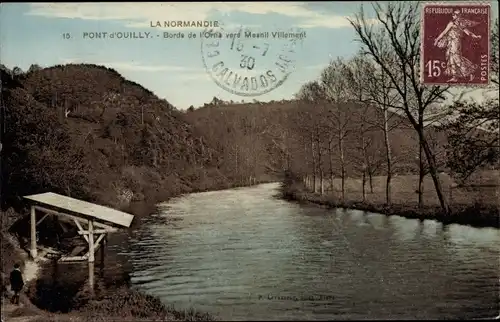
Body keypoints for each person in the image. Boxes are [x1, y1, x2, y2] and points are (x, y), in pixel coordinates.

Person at [433, 9, 482, 82]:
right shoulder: (451, 23)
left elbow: (468, 32)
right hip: (450, 42)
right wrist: (437, 40)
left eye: (457, 15)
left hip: (456, 42)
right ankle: (455, 76)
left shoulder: (461, 24)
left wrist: (475, 36)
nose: (455, 16)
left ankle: (470, 73)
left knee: (457, 58)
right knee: (451, 58)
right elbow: (444, 32)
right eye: (454, 14)